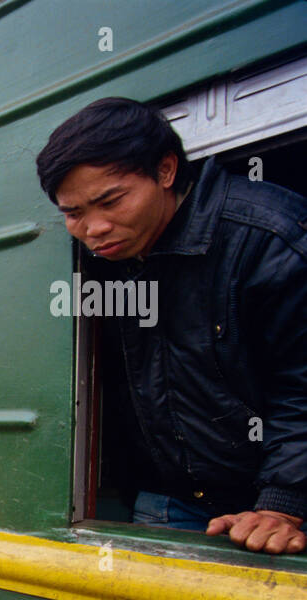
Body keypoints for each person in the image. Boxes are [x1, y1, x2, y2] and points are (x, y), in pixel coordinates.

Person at [36, 97, 307, 554]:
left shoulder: (268, 238)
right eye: (73, 213)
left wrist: (283, 503)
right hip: (167, 502)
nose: (94, 228)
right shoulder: (104, 259)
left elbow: (300, 383)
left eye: (110, 201)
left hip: (274, 512)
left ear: (165, 171)